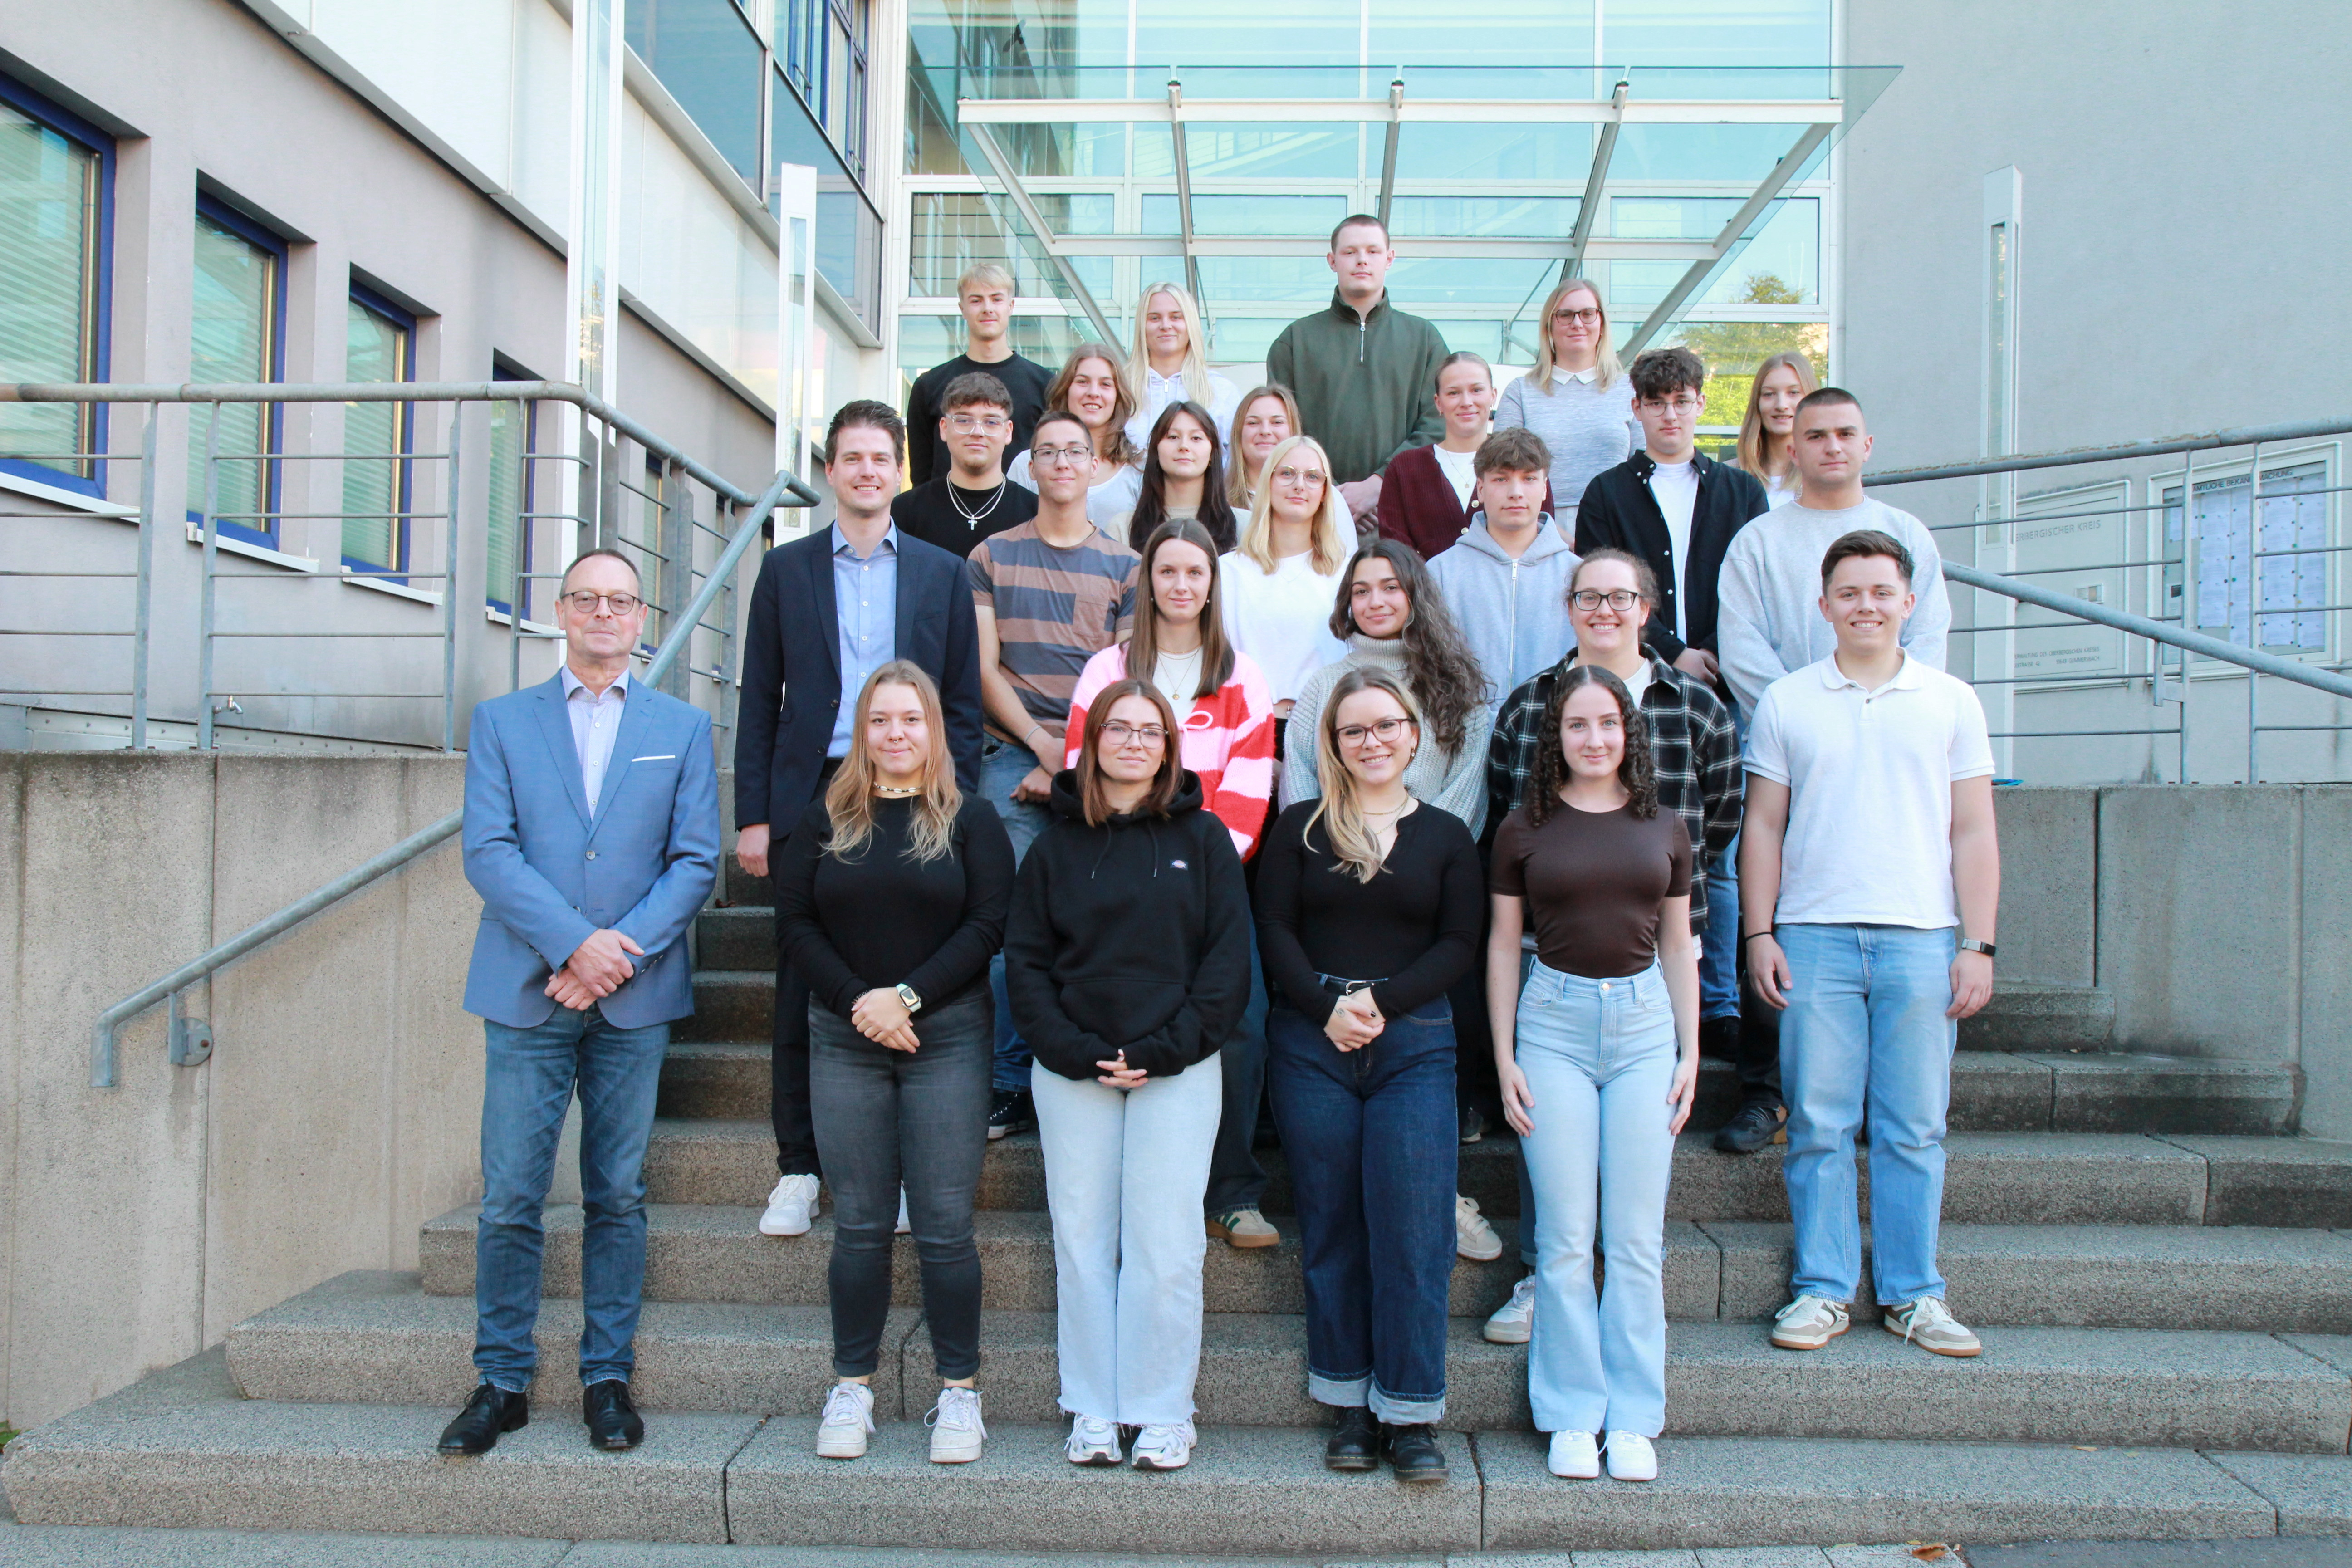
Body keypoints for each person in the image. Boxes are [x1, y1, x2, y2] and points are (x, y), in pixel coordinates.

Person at [442, 548, 720, 1457]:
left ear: (643, 617)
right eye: (587, 599)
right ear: (559, 612)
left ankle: (606, 1376)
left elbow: (695, 862)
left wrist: (615, 955)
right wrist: (574, 945)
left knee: (618, 1193)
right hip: (529, 992)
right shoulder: (503, 722)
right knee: (512, 1197)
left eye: (622, 601)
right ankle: (502, 1381)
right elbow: (488, 850)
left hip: (632, 1000)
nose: (605, 614)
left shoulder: (681, 727)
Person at [1743, 529, 2000, 1362]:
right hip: (1813, 932)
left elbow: (1971, 830)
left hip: (1922, 938)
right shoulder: (1787, 699)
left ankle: (1911, 1292)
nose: (1864, 606)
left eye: (1879, 592)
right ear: (1823, 607)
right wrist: (1758, 930)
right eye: (1847, 593)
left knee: (1912, 1124)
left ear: (1908, 602)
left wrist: (1979, 943)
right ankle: (1821, 1289)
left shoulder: (1949, 700)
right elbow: (1763, 827)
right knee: (1816, 1121)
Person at [1479, 549, 1744, 1347]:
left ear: (1646, 605)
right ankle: (1540, 1275)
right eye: (1587, 596)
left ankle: (1623, 1349)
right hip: (1549, 951)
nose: (1603, 610)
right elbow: (1508, 811)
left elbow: (1719, 818)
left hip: (1656, 949)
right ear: (1568, 607)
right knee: (1546, 1142)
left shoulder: (1694, 707)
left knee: (1633, 1186)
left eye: (1619, 597)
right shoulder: (1529, 706)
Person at [735, 402, 985, 1240]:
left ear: (899, 470)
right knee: (804, 982)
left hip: (916, 788)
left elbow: (957, 702)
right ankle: (799, 1168)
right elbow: (758, 701)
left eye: (881, 458)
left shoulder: (942, 572)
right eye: (852, 458)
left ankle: (911, 1172)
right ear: (832, 470)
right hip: (815, 791)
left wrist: (957, 804)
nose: (867, 471)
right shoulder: (788, 569)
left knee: (911, 968)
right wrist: (754, 819)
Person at [1006, 679, 1254, 1472]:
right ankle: (1090, 1405)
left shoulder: (1205, 840)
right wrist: (1075, 1050)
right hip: (1073, 1066)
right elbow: (1027, 966)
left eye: (1151, 731)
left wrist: (1164, 1048)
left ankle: (1160, 1409)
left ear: (1169, 747)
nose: (1134, 742)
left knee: (1166, 1240)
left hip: (1176, 1068)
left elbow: (1225, 966)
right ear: (1092, 738)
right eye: (1119, 728)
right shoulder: (1052, 846)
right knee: (1081, 1238)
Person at [779, 662, 1014, 1466]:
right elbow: (797, 923)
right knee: (861, 1225)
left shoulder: (970, 819)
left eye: (909, 719)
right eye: (880, 720)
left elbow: (988, 925)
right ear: (861, 731)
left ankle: (960, 1394)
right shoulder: (825, 818)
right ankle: (852, 1385)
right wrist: (861, 1002)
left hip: (944, 1037)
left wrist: (905, 998)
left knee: (945, 1228)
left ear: (932, 729)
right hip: (845, 1036)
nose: (895, 734)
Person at [1257, 667, 1482, 1484]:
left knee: (1414, 1230)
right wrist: (1326, 1005)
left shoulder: (1447, 836)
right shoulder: (1297, 830)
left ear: (1413, 734)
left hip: (1414, 1043)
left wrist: (1380, 1003)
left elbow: (1457, 945)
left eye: (1386, 725)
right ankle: (1349, 1405)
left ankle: (1411, 1411)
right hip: (1311, 1043)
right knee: (1332, 1223)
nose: (1373, 740)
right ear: (1333, 745)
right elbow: (1273, 928)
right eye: (1354, 730)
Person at [1488, 664, 1700, 1486]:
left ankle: (1635, 1415)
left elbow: (1679, 944)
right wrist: (1504, 1054)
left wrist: (1688, 1052)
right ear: (1557, 736)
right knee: (1566, 1239)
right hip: (1553, 1025)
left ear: (1627, 732)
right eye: (1576, 725)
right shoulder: (1522, 828)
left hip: (1646, 1027)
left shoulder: (1666, 825)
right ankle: (1572, 1414)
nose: (1592, 739)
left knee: (1635, 1238)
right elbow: (1503, 945)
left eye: (1606, 724)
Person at [1066, 518, 1279, 1248]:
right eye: (1168, 573)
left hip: (1213, 881)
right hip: (1115, 879)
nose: (1182, 586)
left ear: (1212, 586)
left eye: (1196, 573)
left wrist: (1197, 875)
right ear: (1148, 583)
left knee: (1242, 1022)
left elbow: (1249, 796)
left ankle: (1233, 1191)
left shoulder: (1243, 676)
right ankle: (1130, 1187)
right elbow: (1080, 770)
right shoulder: (1108, 671)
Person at [968, 410, 1142, 1139]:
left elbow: (1123, 679)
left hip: (1099, 763)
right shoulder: (989, 557)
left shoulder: (1126, 566)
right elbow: (981, 668)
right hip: (1011, 756)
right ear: (1029, 467)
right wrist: (1040, 745)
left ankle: (1092, 1063)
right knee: (1011, 934)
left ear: (1096, 465)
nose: (1063, 462)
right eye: (1048, 452)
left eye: (1077, 451)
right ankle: (1012, 1080)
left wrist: (1069, 760)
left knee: (1097, 927)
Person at [1717, 387, 1953, 721]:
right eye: (1816, 436)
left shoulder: (1908, 534)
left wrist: (1884, 712)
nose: (1833, 447)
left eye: (1846, 434)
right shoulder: (1756, 542)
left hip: (1894, 731)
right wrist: (1810, 720)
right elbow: (1743, 654)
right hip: (1792, 743)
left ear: (1867, 446)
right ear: (1794, 451)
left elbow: (1928, 638)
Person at [1571, 346, 1769, 684]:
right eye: (1656, 403)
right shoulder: (1605, 494)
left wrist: (1710, 653)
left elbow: (1757, 586)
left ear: (1701, 404)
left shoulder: (1744, 492)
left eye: (1681, 401)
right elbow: (1598, 588)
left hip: (1728, 678)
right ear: (1637, 408)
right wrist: (1674, 654)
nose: (1670, 415)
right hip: (1634, 679)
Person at [1284, 539, 1492, 829]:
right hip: (1333, 858)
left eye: (1391, 587)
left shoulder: (1456, 685)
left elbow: (1465, 789)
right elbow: (1299, 780)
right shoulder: (1323, 685)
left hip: (1425, 863)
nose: (1375, 602)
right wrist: (1330, 848)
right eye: (1361, 591)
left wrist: (1416, 853)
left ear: (1415, 594)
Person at [1264, 215, 1449, 518]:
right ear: (1332, 260)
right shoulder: (1296, 341)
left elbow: (1437, 424)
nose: (1362, 260)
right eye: (1350, 252)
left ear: (1389, 259)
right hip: (1314, 511)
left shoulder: (1424, 339)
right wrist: (1331, 495)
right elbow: (1281, 429)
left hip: (1402, 513)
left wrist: (1378, 485)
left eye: (1373, 252)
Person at [1428, 426, 1581, 696]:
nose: (1516, 492)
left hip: (1554, 727)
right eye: (1501, 479)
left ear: (1545, 489)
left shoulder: (1579, 574)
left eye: (1529, 479)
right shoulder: (1439, 572)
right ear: (1481, 488)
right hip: (1463, 730)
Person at [1219, 434, 1353, 720]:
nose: (1299, 485)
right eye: (1287, 474)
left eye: (1313, 477)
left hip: (1328, 728)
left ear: (1326, 493)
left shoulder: (1349, 574)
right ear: (1268, 483)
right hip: (1248, 726)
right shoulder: (1227, 571)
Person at [1378, 352, 1553, 562]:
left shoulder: (1525, 460)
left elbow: (1542, 536)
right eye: (1453, 393)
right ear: (1438, 402)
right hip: (1426, 592)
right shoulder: (1405, 468)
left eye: (1477, 390)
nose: (1467, 402)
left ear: (1493, 396)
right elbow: (1396, 554)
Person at [1494, 278, 1636, 521]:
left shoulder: (1630, 390)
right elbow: (1504, 470)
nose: (1577, 323)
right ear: (1549, 326)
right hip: (1538, 523)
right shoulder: (1520, 392)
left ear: (1601, 324)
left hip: (1617, 521)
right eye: (1566, 315)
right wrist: (1552, 533)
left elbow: (1644, 466)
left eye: (1588, 314)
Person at [905, 264, 1053, 486]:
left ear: (1011, 306)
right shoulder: (929, 386)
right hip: (948, 515)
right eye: (976, 300)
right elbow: (921, 477)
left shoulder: (1046, 385)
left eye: (996, 299)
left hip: (1026, 516)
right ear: (962, 308)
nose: (987, 308)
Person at [891, 370, 1039, 559]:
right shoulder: (904, 512)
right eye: (963, 420)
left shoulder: (1036, 514)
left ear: (1008, 432)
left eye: (991, 422)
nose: (977, 432)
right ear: (944, 428)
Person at [1008, 345, 1145, 525]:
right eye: (1082, 382)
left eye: (1105, 384)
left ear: (1118, 396)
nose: (1094, 393)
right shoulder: (1027, 464)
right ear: (1066, 390)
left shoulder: (1139, 468)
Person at [1111, 399, 1241, 553]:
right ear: (1156, 450)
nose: (1184, 446)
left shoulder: (1245, 526)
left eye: (1196, 438)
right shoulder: (1123, 529)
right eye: (1173, 437)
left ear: (1213, 453)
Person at [1123, 281, 1241, 450]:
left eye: (1176, 317)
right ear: (1142, 326)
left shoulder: (1221, 391)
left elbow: (1233, 463)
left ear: (1190, 324)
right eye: (1155, 318)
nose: (1165, 326)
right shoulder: (1120, 389)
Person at [1734, 351, 1819, 509]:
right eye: (1769, 394)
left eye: (1794, 392)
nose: (1781, 405)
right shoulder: (1727, 477)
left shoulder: (1826, 476)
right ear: (1757, 403)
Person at [1226, 383, 1301, 511]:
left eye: (1277, 422)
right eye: (1253, 423)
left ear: (1293, 430)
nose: (1265, 431)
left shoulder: (1318, 497)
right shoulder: (1218, 504)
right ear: (1239, 434)